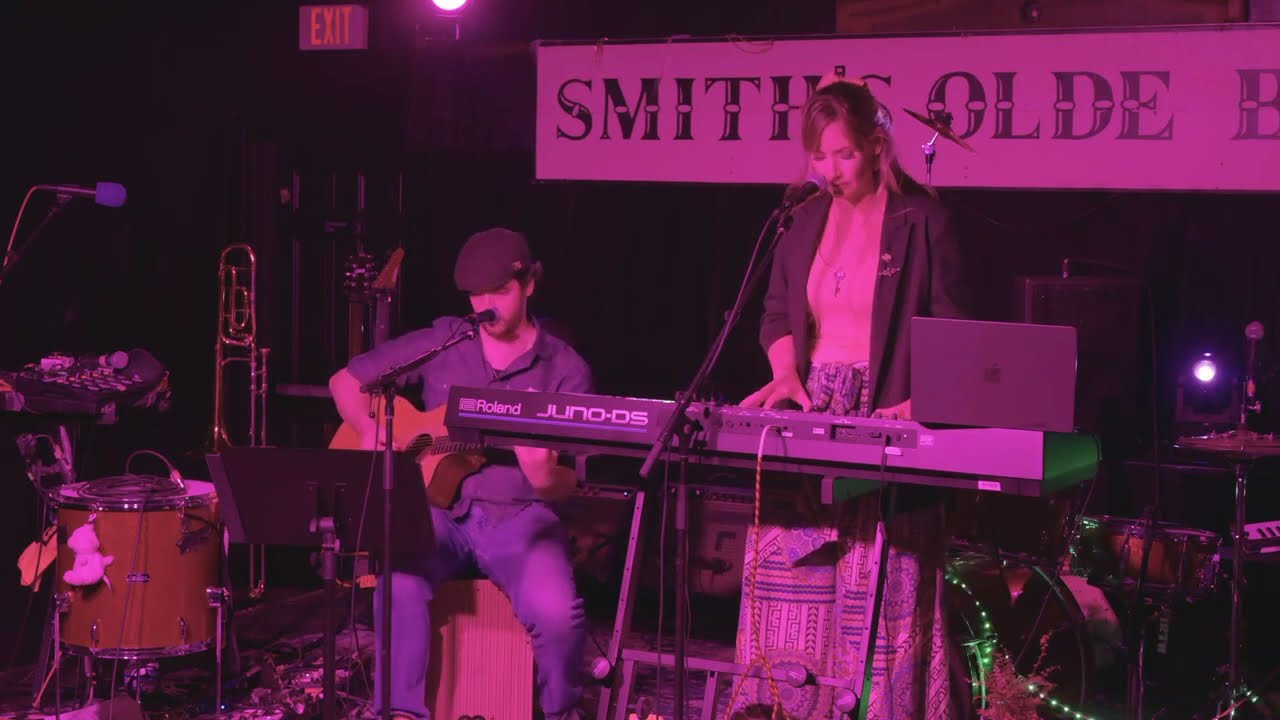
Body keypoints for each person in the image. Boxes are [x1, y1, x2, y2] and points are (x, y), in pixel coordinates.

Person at [734, 74, 969, 719]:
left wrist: (926, 400)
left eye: (843, 154)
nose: (830, 170)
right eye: (819, 156)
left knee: (882, 603)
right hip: (812, 413)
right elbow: (776, 311)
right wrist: (786, 374)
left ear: (875, 147)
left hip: (885, 408)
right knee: (787, 588)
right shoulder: (804, 219)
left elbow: (954, 328)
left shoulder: (922, 219)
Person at [328, 228, 592, 720]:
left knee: (557, 614)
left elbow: (570, 481)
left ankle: (562, 712)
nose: (487, 306)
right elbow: (345, 381)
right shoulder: (447, 340)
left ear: (530, 284)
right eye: (477, 295)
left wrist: (541, 477)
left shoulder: (564, 369)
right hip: (439, 514)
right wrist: (369, 429)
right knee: (397, 582)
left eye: (500, 291)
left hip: (521, 518)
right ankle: (399, 713)